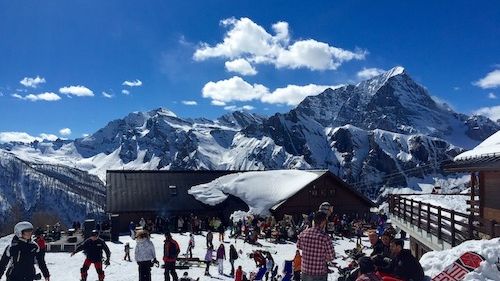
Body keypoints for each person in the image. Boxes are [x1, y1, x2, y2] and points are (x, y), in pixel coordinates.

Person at [297, 211, 335, 281]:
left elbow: (299, 246)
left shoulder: (303, 233)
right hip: (319, 272)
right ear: (323, 222)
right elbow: (331, 256)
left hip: (305, 271)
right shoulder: (325, 237)